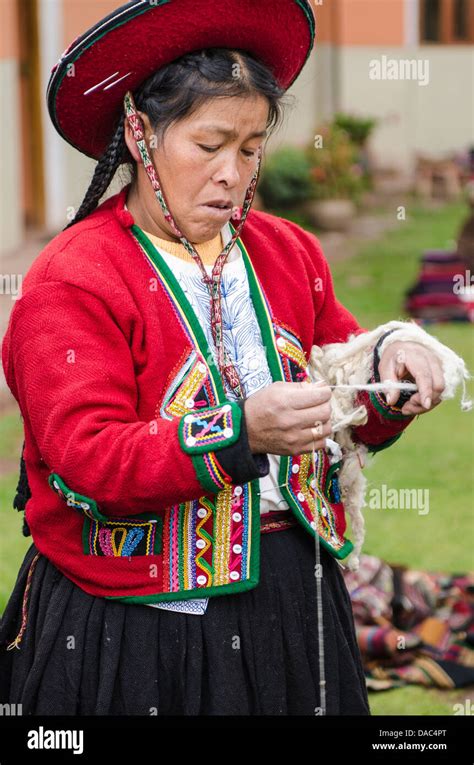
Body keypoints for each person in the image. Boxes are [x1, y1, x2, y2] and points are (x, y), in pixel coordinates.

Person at [0, 0, 468, 716]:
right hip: (139, 619)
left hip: (290, 597)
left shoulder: (288, 252)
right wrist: (239, 432)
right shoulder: (74, 278)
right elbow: (86, 458)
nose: (233, 174)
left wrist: (390, 374)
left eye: (250, 149)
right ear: (139, 133)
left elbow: (339, 388)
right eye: (209, 144)